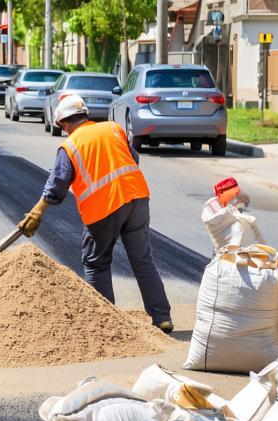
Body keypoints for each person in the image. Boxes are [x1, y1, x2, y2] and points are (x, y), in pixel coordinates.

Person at [20, 93, 173, 332]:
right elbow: (133, 159)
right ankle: (162, 317)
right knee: (143, 260)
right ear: (85, 115)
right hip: (137, 197)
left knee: (96, 263)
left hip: (104, 207)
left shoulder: (70, 145)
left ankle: (106, 325)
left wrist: (38, 210)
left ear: (63, 123)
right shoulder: (113, 129)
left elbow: (57, 185)